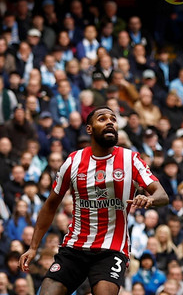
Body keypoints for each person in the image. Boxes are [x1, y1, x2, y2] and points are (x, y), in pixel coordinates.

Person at [19, 106, 169, 295]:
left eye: (113, 119)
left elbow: (162, 195)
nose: (109, 122)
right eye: (102, 119)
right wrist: (33, 247)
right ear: (89, 129)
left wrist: (150, 199)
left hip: (111, 250)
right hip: (75, 247)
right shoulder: (73, 161)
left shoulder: (131, 159)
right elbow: (50, 205)